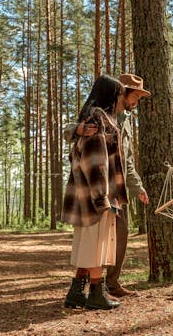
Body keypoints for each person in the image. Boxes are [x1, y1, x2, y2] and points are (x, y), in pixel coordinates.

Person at [64, 73, 150, 299]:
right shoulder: (100, 115)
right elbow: (92, 154)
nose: (135, 102)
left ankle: (92, 286)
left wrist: (137, 187)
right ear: (121, 93)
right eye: (135, 96)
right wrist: (77, 129)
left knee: (109, 236)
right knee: (94, 238)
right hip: (98, 188)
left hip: (116, 187)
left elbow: (126, 160)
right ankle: (95, 289)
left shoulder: (126, 121)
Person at [61, 74, 126, 310]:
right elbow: (95, 161)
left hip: (88, 193)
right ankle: (96, 294)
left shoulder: (96, 118)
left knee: (87, 242)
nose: (121, 98)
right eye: (119, 94)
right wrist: (102, 197)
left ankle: (76, 292)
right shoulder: (99, 120)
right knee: (94, 244)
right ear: (111, 95)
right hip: (95, 194)